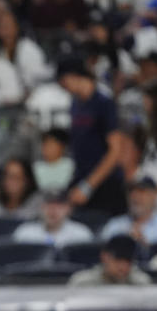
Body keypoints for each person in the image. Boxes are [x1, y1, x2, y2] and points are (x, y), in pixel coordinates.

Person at [56, 57, 126, 215]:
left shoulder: (104, 103)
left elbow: (115, 150)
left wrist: (89, 186)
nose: (62, 86)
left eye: (63, 80)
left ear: (73, 76)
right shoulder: (75, 103)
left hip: (105, 183)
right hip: (82, 176)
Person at [100, 177, 157, 247]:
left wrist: (144, 245)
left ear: (154, 196)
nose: (135, 197)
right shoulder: (114, 225)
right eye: (131, 191)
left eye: (141, 191)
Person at [12, 191, 95, 248]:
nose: (53, 210)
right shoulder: (24, 233)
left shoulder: (82, 234)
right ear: (41, 207)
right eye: (49, 204)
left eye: (59, 205)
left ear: (69, 209)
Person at [68, 234, 152, 286]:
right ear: (104, 256)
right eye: (118, 260)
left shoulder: (141, 284)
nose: (123, 267)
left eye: (128, 261)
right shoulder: (83, 283)